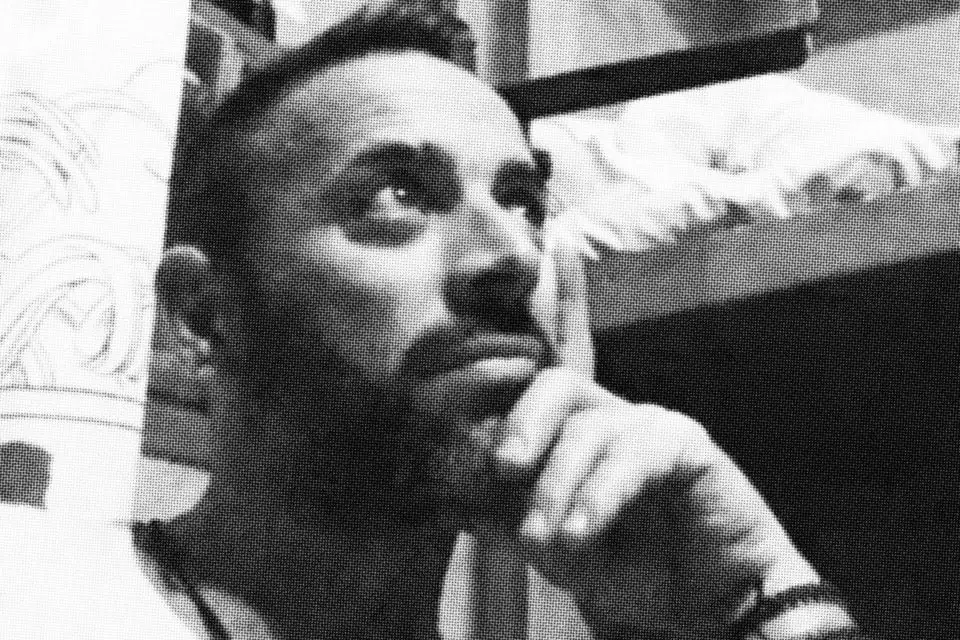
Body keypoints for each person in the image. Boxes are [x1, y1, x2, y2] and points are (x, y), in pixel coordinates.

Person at [144, 1, 878, 638]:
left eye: (523, 203)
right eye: (397, 196)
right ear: (204, 319)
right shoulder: (76, 598)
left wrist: (761, 599)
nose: (515, 258)